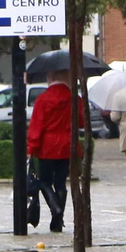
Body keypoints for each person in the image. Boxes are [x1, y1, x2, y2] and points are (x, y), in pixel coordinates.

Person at [27, 69, 86, 233]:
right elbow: (82, 122)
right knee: (60, 182)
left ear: (50, 77)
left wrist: (31, 147)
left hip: (48, 146)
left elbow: (36, 126)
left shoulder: (43, 99)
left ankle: (55, 210)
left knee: (44, 181)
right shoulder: (75, 99)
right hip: (68, 146)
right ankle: (57, 221)